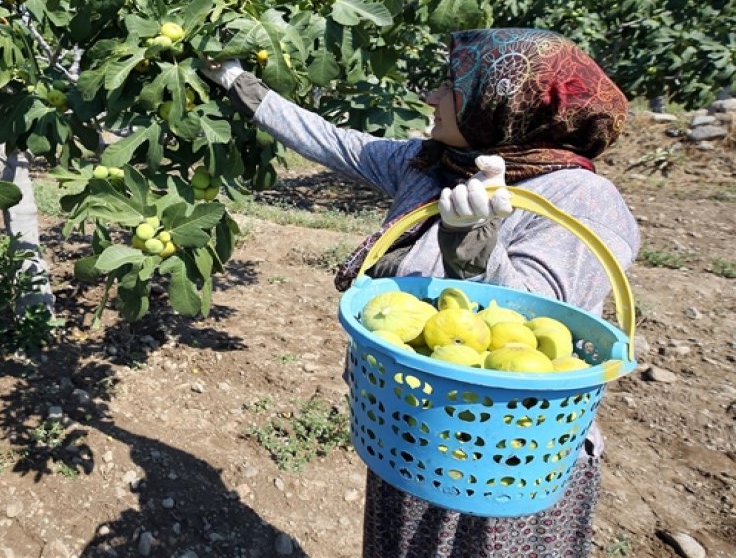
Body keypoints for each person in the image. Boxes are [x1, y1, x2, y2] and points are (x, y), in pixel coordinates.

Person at [202, 28, 640, 558]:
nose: (430, 96)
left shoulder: (583, 200)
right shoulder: (433, 165)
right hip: (414, 433)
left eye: (450, 87)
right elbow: (337, 142)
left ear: (498, 105)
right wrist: (240, 85)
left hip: (505, 455)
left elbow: (535, 329)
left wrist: (475, 252)